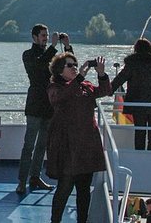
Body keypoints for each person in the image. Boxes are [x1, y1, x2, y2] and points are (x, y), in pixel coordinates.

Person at [46, 53, 111, 223]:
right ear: (60, 71)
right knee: (64, 188)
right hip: (67, 145)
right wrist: (80, 76)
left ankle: (82, 220)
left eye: (75, 64)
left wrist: (102, 74)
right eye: (70, 65)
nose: (74, 67)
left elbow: (105, 91)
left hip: (86, 144)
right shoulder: (55, 87)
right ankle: (55, 221)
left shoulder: (85, 86)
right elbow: (60, 98)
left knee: (83, 190)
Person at [17, 24, 73, 194]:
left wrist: (68, 46)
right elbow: (38, 67)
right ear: (34, 37)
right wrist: (53, 47)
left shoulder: (52, 56)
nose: (46, 38)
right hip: (34, 106)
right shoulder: (28, 55)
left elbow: (71, 67)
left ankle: (35, 177)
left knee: (42, 146)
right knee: (29, 146)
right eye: (43, 35)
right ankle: (21, 181)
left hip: (49, 106)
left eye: (47, 35)